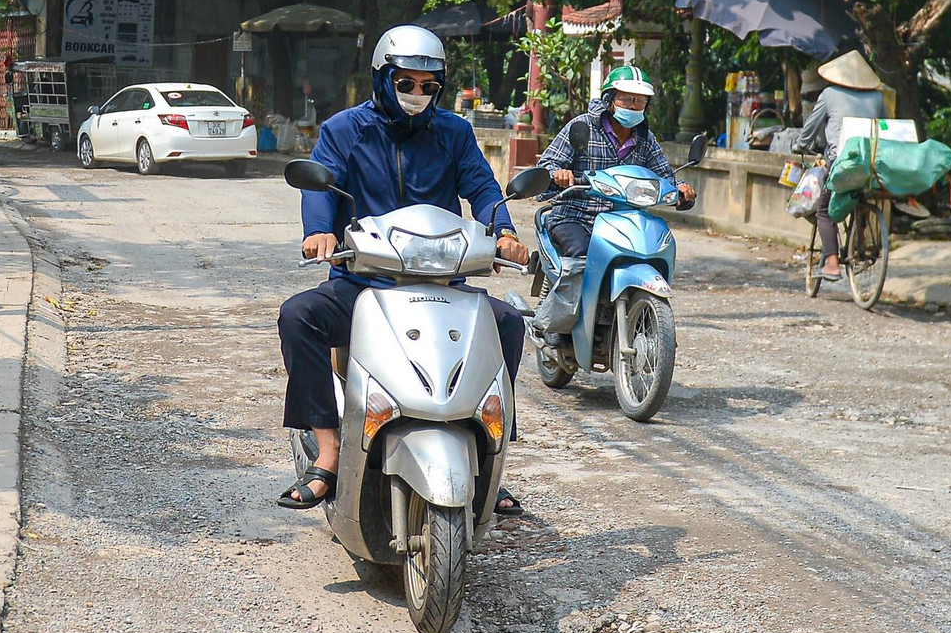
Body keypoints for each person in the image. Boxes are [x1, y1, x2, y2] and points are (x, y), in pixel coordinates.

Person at [276, 25, 531, 514]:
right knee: (298, 317)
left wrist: (503, 231)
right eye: (406, 83)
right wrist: (319, 231)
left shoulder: (454, 133)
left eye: (428, 86)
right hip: (364, 283)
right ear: (382, 78)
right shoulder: (344, 130)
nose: (417, 94)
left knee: (506, 324)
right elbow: (320, 186)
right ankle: (327, 452)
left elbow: (481, 186)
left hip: (441, 284)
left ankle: (489, 458)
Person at [529, 65, 696, 338]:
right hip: (577, 215)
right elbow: (548, 163)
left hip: (623, 221)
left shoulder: (644, 138)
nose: (633, 105)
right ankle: (552, 327)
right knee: (580, 257)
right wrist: (557, 174)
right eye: (627, 98)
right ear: (609, 99)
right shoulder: (581, 126)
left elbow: (664, 175)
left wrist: (680, 189)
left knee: (651, 248)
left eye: (639, 100)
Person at [792, 51, 887, 281]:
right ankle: (860, 238)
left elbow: (810, 128)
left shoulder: (829, 94)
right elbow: (886, 127)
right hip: (873, 163)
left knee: (824, 211)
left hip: (841, 163)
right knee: (861, 196)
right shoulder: (877, 98)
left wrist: (800, 145)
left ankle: (832, 264)